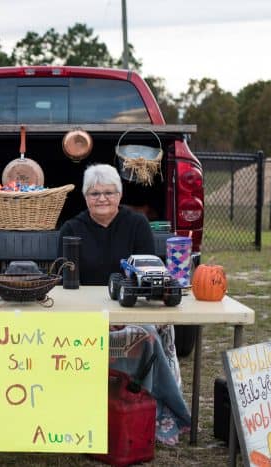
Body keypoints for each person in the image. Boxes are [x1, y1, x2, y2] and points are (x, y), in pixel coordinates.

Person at [58, 163, 191, 445]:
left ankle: (157, 410)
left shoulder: (136, 224)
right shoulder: (72, 228)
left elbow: (148, 275)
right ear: (85, 197)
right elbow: (64, 283)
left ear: (119, 195)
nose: (102, 198)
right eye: (95, 193)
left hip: (133, 308)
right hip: (86, 313)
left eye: (109, 192)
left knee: (148, 336)